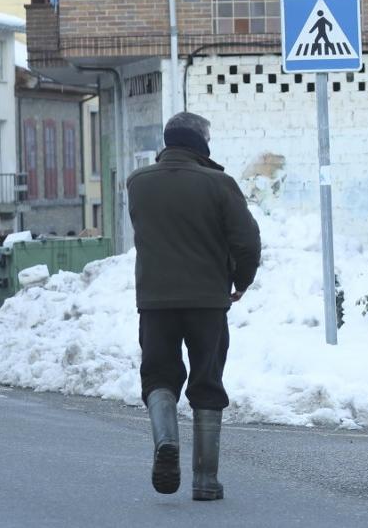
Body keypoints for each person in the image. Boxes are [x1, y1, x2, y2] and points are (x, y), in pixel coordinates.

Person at [128, 112, 261, 500]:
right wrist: (241, 281)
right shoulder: (219, 184)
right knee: (207, 381)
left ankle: (166, 441)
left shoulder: (138, 184)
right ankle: (206, 480)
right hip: (207, 302)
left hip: (154, 301)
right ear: (200, 143)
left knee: (158, 376)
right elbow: (247, 241)